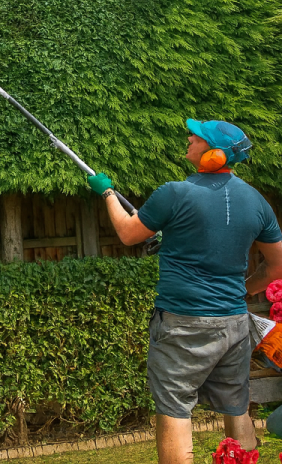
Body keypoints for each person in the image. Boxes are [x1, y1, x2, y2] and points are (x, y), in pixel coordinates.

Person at [87, 119, 282, 464]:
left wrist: (106, 192)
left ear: (215, 153)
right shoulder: (257, 202)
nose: (190, 137)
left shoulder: (174, 193)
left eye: (198, 136)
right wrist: (241, 291)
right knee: (236, 404)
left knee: (175, 409)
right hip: (233, 323)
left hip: (182, 324)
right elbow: (277, 267)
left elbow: (130, 234)